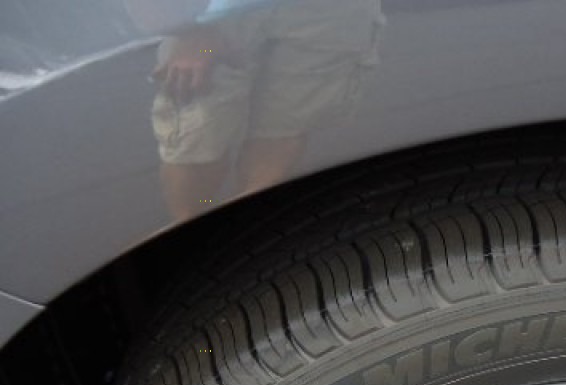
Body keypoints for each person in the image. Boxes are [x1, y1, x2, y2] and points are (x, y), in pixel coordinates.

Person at [127, 0, 384, 221]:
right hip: (214, 14)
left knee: (284, 123)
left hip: (329, 14)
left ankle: (247, 233)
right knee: (199, 139)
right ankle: (192, 231)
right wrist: (186, 31)